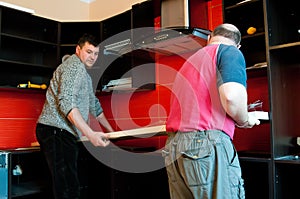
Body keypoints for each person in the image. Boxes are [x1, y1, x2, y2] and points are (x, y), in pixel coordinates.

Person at [163, 23, 260, 199]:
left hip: (174, 148)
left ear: (209, 38)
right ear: (238, 45)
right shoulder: (230, 52)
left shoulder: (189, 62)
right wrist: (245, 119)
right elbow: (231, 97)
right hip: (204, 145)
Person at [36, 33, 114, 199]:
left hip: (62, 132)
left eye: (96, 53)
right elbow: (67, 104)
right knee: (68, 187)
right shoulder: (74, 66)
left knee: (69, 185)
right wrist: (91, 134)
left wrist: (111, 131)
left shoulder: (85, 75)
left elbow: (95, 106)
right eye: (88, 51)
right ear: (78, 50)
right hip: (56, 130)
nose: (92, 57)